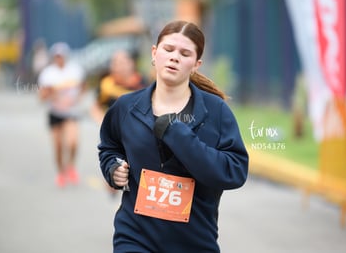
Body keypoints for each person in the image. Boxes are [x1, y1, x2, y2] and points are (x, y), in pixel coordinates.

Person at [98, 20, 249, 252]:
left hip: (195, 242)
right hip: (135, 238)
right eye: (168, 49)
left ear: (196, 64)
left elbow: (234, 171)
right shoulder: (126, 107)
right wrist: (112, 167)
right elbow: (110, 147)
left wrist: (177, 134)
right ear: (154, 53)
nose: (175, 57)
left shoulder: (216, 112)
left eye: (185, 53)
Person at [38, 42, 86, 188]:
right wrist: (55, 98)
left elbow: (83, 87)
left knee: (73, 142)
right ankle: (60, 172)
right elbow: (42, 96)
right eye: (57, 56)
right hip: (55, 112)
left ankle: (70, 165)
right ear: (54, 57)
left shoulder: (75, 71)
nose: (60, 59)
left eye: (62, 56)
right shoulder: (48, 74)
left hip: (71, 113)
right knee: (58, 146)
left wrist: (75, 99)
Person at [90, 50, 146, 125]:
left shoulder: (141, 82)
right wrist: (103, 122)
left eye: (123, 62)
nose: (120, 67)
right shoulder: (107, 84)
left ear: (132, 63)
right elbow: (96, 106)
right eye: (116, 63)